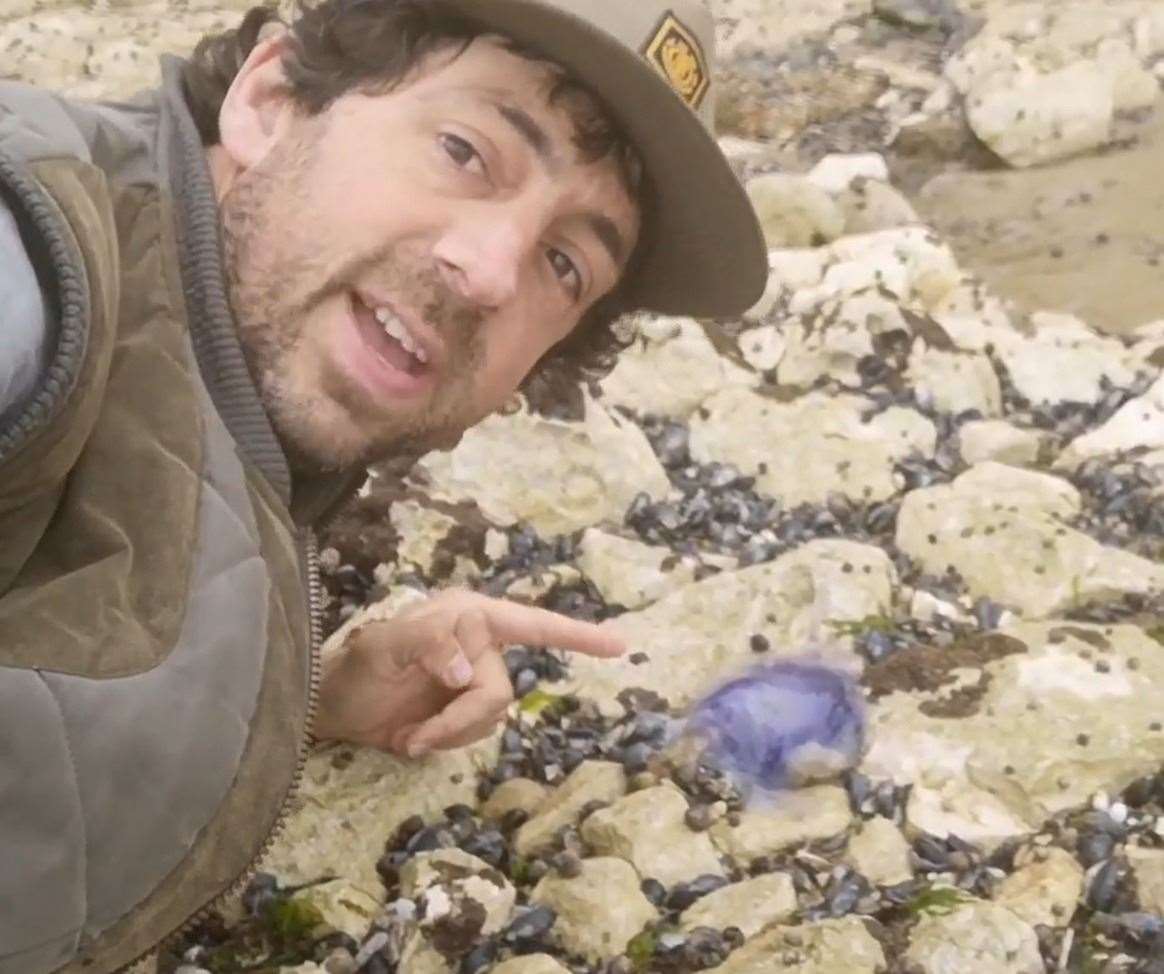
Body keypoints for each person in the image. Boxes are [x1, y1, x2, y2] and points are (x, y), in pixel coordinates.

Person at [0, 0, 765, 969]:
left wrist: (293, 694)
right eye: (464, 150)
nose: (490, 272)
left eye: (564, 264)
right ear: (270, 99)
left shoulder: (235, 401)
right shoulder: (37, 266)